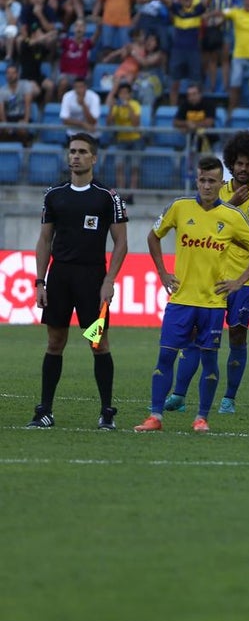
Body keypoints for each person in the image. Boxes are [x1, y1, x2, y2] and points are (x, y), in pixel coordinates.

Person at [135, 156, 249, 433]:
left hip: (213, 303)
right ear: (197, 180)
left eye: (212, 181)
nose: (206, 186)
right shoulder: (180, 208)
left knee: (209, 360)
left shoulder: (232, 217)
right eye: (202, 180)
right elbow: (153, 236)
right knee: (165, 358)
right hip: (181, 300)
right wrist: (162, 272)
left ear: (222, 183)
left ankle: (201, 418)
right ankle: (155, 416)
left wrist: (240, 280)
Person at [27, 134, 128, 430]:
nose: (76, 156)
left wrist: (109, 281)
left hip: (92, 280)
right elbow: (45, 239)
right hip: (59, 279)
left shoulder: (107, 197)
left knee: (97, 342)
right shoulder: (54, 195)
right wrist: (40, 281)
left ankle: (106, 412)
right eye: (72, 151)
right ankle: (44, 410)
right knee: (55, 342)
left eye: (83, 152)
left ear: (94, 158)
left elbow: (121, 244)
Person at [164, 133, 249, 416]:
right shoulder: (215, 191)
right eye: (238, 163)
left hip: (240, 283)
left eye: (248, 164)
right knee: (196, 337)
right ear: (230, 165)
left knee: (237, 336)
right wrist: (231, 202)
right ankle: (179, 394)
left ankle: (229, 398)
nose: (243, 169)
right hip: (209, 281)